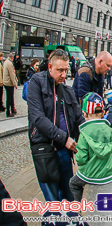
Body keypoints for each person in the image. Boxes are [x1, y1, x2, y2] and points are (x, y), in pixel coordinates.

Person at [27, 50, 85, 201]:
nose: (64, 75)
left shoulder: (67, 90)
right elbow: (38, 118)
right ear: (50, 67)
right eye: (60, 70)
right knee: (53, 200)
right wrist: (63, 137)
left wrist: (91, 137)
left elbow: (79, 119)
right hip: (45, 150)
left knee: (68, 195)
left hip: (64, 150)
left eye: (66, 70)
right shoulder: (36, 82)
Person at [69, 92, 112, 202]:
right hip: (110, 173)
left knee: (73, 183)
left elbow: (81, 159)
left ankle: (79, 207)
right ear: (103, 112)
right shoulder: (110, 130)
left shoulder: (84, 132)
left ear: (84, 114)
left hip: (91, 175)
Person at [3, 53, 17, 117]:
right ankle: (8, 112)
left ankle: (12, 110)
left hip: (6, 82)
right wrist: (15, 84)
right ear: (12, 57)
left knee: (10, 97)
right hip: (9, 83)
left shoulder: (5, 62)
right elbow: (12, 75)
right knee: (9, 98)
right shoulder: (10, 64)